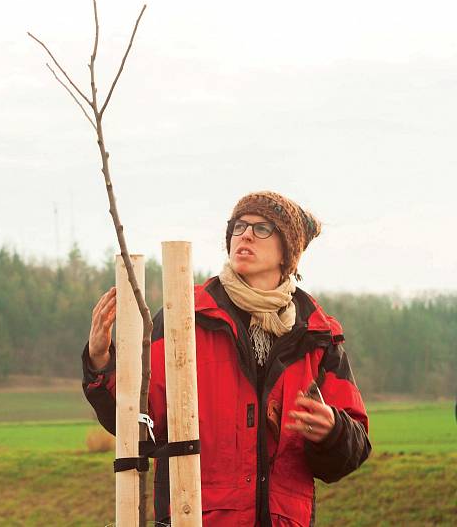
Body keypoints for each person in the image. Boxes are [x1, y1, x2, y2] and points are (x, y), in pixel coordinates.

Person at [82, 191, 371, 526]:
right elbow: (134, 419)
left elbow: (353, 449)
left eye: (262, 228)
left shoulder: (318, 337)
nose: (245, 234)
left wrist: (333, 431)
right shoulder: (184, 317)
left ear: (287, 253)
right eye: (239, 226)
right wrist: (100, 359)